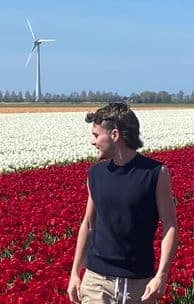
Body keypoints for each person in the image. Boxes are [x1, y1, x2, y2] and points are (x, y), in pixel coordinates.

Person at [67, 102, 178, 304]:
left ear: (115, 135)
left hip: (139, 284)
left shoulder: (155, 173)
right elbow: (88, 225)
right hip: (97, 282)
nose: (93, 142)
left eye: (96, 135)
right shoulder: (95, 174)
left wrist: (161, 275)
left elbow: (169, 225)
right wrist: (75, 272)